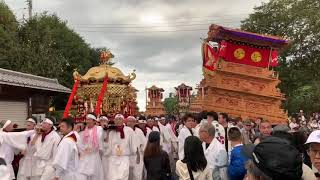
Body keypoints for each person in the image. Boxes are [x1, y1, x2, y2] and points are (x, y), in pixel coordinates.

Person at [103, 114, 136, 180]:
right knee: (112, 177)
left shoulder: (129, 130)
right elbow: (107, 145)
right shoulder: (111, 131)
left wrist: (133, 153)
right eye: (117, 119)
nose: (118, 121)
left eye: (120, 119)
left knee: (123, 177)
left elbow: (133, 145)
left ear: (123, 120)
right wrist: (107, 133)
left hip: (124, 158)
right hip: (113, 158)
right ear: (114, 121)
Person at [77, 113, 104, 180]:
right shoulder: (83, 131)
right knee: (82, 174)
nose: (88, 121)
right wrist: (83, 149)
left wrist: (93, 149)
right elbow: (79, 143)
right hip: (85, 156)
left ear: (94, 121)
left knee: (95, 175)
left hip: (94, 156)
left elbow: (101, 139)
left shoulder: (99, 129)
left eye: (90, 119)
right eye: (87, 119)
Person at [126, 116, 146, 180]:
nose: (130, 123)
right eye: (129, 121)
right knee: (126, 175)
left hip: (137, 157)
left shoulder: (139, 131)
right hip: (126, 157)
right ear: (126, 122)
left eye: (132, 121)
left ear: (135, 123)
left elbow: (144, 144)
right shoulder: (123, 131)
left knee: (137, 175)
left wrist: (141, 153)